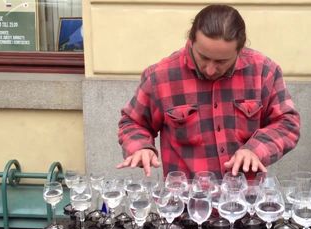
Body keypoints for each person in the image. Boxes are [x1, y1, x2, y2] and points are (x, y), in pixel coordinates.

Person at [117, 4, 300, 179]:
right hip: (187, 202)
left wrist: (256, 149)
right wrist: (141, 147)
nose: (210, 69)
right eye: (203, 57)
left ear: (240, 49)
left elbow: (287, 123)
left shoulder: (264, 71)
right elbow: (133, 122)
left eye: (222, 61)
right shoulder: (160, 76)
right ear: (191, 39)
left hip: (244, 201)